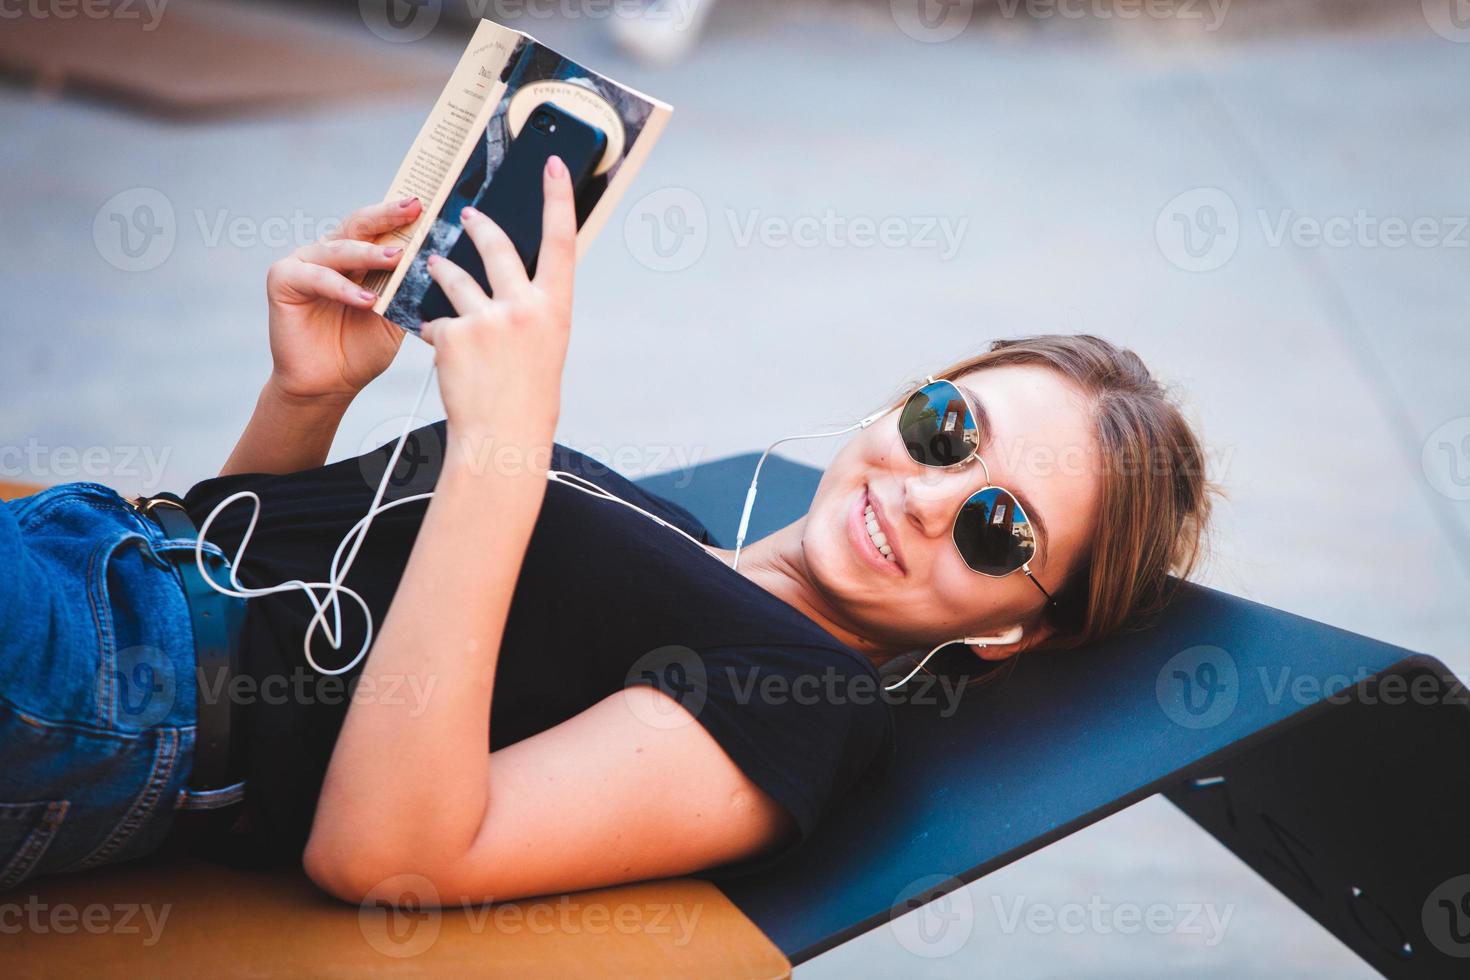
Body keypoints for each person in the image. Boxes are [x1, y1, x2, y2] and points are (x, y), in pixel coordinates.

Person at [0, 157, 1215, 905]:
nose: (927, 494)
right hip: (98, 572)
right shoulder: (678, 536)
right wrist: (310, 398)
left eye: (1001, 530)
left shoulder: (809, 703)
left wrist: (503, 445)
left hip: (89, 683)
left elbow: (384, 852)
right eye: (950, 425)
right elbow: (260, 583)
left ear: (1012, 627)